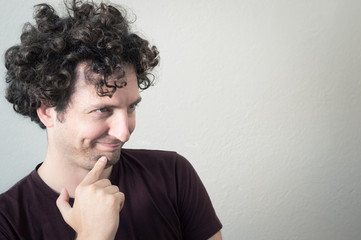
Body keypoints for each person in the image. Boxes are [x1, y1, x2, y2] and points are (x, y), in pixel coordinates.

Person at [0, 0, 222, 239]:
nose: (124, 132)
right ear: (47, 111)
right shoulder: (8, 222)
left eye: (131, 107)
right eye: (102, 110)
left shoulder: (173, 175)